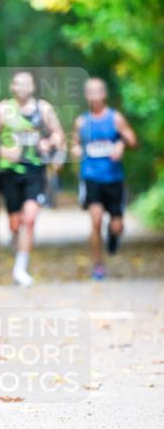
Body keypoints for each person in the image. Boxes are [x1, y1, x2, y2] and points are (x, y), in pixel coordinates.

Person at [0, 70, 65, 286]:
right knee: (15, 223)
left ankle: (20, 268)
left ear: (32, 87)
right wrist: (1, 151)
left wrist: (50, 143)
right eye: (18, 83)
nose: (22, 87)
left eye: (26, 83)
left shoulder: (44, 109)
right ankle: (17, 241)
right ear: (12, 87)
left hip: (35, 169)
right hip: (10, 172)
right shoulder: (2, 109)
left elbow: (58, 135)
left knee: (29, 218)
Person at [72, 77, 137, 280]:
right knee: (96, 220)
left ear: (104, 94)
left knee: (117, 225)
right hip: (91, 177)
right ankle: (98, 264)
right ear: (86, 95)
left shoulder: (115, 118)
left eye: (97, 91)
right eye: (89, 91)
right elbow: (74, 143)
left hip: (114, 178)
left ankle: (114, 235)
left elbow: (133, 140)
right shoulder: (81, 121)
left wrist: (121, 145)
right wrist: (75, 150)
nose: (94, 95)